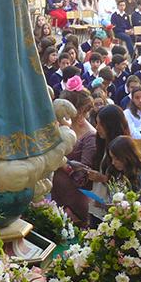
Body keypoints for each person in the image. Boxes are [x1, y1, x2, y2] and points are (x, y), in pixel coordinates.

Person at [52, 88, 97, 226]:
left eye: (85, 111)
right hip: (56, 193)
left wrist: (63, 164)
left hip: (75, 200)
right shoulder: (58, 126)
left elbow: (84, 175)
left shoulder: (90, 135)